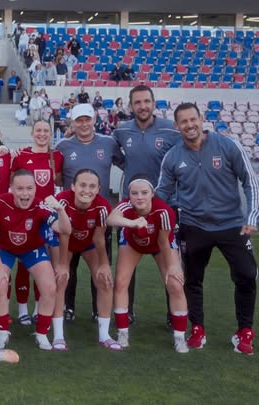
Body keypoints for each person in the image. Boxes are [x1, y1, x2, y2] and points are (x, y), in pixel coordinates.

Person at [156, 103, 259, 355]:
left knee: (247, 275)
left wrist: (252, 216)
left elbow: (250, 181)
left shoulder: (228, 145)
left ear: (202, 119)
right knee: (192, 279)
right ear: (176, 125)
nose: (189, 125)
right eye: (183, 121)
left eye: (193, 119)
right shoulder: (173, 156)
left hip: (232, 224)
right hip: (194, 226)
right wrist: (141, 210)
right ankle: (197, 328)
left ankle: (244, 331)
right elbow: (162, 193)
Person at [112, 85, 181, 325]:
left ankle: (173, 315)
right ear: (131, 106)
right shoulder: (122, 131)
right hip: (131, 208)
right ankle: (126, 311)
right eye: (137, 102)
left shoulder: (170, 130)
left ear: (153, 103)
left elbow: (182, 157)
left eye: (146, 101)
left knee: (169, 263)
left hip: (163, 207)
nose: (142, 106)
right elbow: (113, 153)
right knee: (125, 267)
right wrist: (131, 171)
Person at [0, 169, 70, 350]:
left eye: (29, 188)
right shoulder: (0, 203)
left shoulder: (41, 206)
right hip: (4, 248)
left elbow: (65, 230)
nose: (25, 193)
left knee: (50, 287)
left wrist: (60, 210)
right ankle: (2, 332)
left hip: (32, 249)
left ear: (35, 189)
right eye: (20, 189)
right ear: (11, 188)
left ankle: (42, 334)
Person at [56, 103, 122, 323]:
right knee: (68, 265)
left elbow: (126, 164)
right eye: (79, 120)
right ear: (72, 123)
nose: (83, 124)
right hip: (70, 216)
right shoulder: (63, 146)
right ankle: (68, 307)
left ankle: (98, 309)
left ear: (94, 120)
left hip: (99, 216)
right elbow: (56, 176)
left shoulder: (109, 143)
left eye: (87, 119)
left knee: (101, 264)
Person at [107, 174, 188, 353]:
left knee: (175, 284)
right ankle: (122, 332)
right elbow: (111, 219)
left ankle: (179, 337)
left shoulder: (164, 211)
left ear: (152, 193)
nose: (139, 197)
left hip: (160, 244)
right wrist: (132, 223)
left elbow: (163, 241)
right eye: (134, 193)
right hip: (133, 242)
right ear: (129, 195)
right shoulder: (127, 205)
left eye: (144, 192)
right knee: (121, 283)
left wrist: (172, 265)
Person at [54, 169, 121, 351]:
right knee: (60, 280)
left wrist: (105, 264)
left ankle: (104, 335)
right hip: (64, 242)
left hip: (88, 243)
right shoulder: (62, 201)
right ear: (73, 186)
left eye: (92, 186)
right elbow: (64, 234)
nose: (87, 190)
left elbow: (99, 238)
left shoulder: (102, 206)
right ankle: (58, 335)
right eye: (82, 185)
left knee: (104, 280)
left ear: (98, 189)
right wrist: (62, 264)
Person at [10, 120, 64, 325]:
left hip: (47, 217)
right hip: (25, 215)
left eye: (46, 131)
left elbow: (60, 181)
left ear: (51, 134)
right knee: (24, 264)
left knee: (44, 265)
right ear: (32, 133)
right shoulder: (21, 155)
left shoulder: (57, 157)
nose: (42, 134)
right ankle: (22, 309)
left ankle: (38, 308)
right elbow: (12, 183)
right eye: (38, 130)